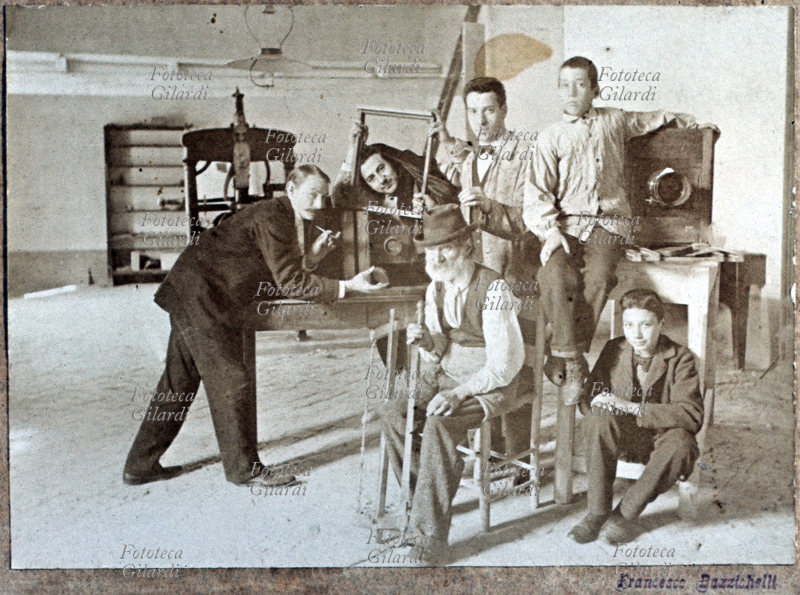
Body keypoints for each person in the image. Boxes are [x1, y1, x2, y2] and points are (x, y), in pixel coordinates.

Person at [123, 164, 387, 487]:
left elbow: (275, 267)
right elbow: (290, 282)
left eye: (324, 197)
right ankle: (243, 469)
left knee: (179, 382)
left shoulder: (278, 214)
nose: (320, 205)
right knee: (233, 379)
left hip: (192, 289)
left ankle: (140, 465)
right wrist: (349, 286)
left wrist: (312, 258)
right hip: (203, 297)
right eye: (312, 195)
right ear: (290, 188)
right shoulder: (274, 216)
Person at [524, 56, 719, 404]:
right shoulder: (550, 137)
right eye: (564, 85)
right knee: (552, 275)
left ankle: (562, 355)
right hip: (566, 225)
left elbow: (652, 119)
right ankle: (572, 358)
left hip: (610, 223)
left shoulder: (614, 120)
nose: (572, 91)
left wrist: (695, 126)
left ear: (595, 89)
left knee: (598, 276)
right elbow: (537, 193)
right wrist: (549, 231)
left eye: (581, 84)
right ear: (557, 91)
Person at [378, 204, 529, 562]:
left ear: (467, 246)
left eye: (445, 247)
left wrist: (457, 392)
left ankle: (429, 537)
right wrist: (427, 343)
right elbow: (441, 346)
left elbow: (504, 365)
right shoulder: (436, 288)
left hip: (492, 382)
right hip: (448, 371)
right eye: (431, 249)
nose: (437, 256)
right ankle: (421, 509)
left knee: (440, 424)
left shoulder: (493, 289)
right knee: (393, 410)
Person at [432, 76, 539, 456]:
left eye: (489, 110)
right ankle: (490, 452)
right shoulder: (469, 155)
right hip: (477, 276)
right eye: (473, 112)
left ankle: (518, 457)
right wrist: (442, 136)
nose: (481, 120)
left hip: (515, 276)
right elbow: (450, 161)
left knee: (514, 363)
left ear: (505, 110)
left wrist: (491, 205)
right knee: (484, 357)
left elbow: (532, 221)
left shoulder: (526, 155)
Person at [569, 289, 703, 545]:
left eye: (646, 325)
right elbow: (589, 397)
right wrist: (599, 404)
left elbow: (691, 415)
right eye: (629, 325)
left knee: (682, 444)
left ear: (661, 324)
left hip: (662, 440)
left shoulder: (680, 358)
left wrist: (632, 407)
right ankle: (597, 513)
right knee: (597, 419)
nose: (636, 334)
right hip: (623, 436)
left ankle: (624, 515)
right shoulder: (614, 349)